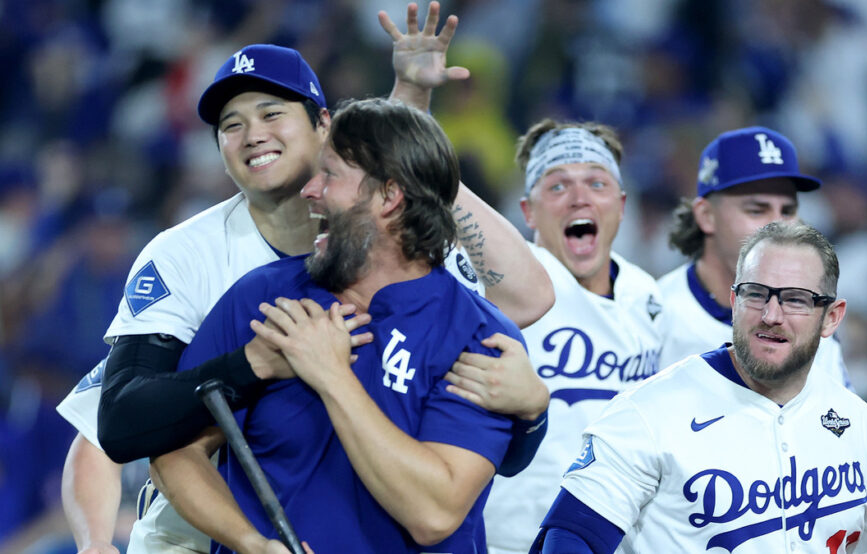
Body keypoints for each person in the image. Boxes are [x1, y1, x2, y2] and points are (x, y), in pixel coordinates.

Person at [55, 4, 552, 554]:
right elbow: (118, 421)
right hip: (197, 528)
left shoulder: (430, 275)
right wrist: (255, 365)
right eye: (231, 125)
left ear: (324, 126)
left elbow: (525, 295)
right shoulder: (201, 260)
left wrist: (533, 412)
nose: (251, 136)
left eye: (271, 114)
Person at [153, 97, 525, 553]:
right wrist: (251, 543)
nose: (310, 190)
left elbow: (435, 513)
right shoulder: (264, 298)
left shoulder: (478, 336)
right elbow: (177, 448)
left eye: (329, 175)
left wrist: (329, 374)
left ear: (389, 197)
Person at [532, 221, 867, 553]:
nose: (771, 315)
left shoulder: (856, 419)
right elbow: (569, 535)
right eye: (756, 293)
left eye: (796, 300)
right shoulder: (648, 413)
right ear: (734, 300)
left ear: (832, 319)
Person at [457, 120, 663, 554]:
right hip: (505, 541)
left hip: (613, 540)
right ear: (527, 211)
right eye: (556, 187)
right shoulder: (502, 281)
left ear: (622, 204)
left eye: (596, 182)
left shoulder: (647, 294)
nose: (579, 197)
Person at [657, 126, 850, 390]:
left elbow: (835, 424)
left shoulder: (806, 314)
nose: (777, 225)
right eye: (757, 210)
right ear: (706, 216)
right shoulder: (654, 315)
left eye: (788, 210)